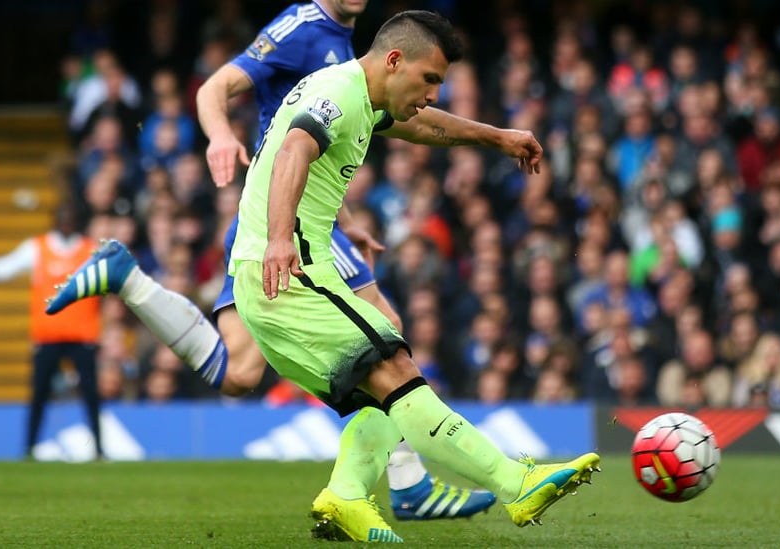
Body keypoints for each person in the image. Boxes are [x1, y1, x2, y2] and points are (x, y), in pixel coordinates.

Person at [47, 0, 493, 520]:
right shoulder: (303, 28)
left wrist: (348, 222)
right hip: (283, 216)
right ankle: (408, 483)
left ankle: (131, 282)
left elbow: (346, 134)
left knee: (239, 373)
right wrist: (218, 135)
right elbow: (219, 89)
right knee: (384, 331)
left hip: (305, 213)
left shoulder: (352, 47)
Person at [231, 10, 599, 541]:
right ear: (395, 60)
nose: (431, 93)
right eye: (429, 79)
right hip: (292, 274)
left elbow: (422, 125)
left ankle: (346, 496)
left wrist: (496, 137)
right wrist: (280, 238)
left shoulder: (365, 99)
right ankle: (515, 483)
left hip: (283, 280)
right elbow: (294, 148)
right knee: (397, 368)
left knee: (381, 398)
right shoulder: (337, 92)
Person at [0, 204, 103, 460]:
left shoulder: (90, 250)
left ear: (76, 221)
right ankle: (29, 447)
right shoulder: (37, 248)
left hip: (83, 335)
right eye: (62, 217)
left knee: (91, 394)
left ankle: (98, 448)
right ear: (54, 220)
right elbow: (3, 270)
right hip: (47, 336)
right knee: (39, 394)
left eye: (70, 218)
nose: (66, 223)